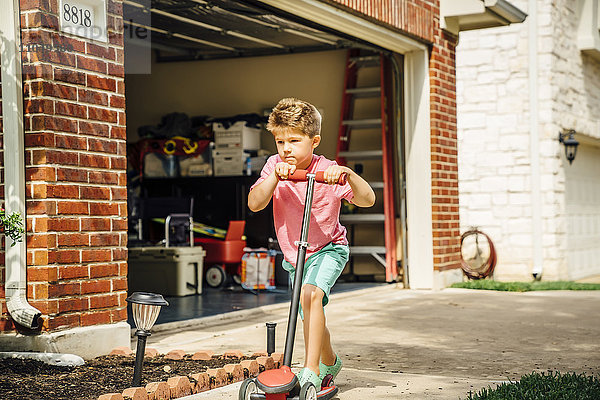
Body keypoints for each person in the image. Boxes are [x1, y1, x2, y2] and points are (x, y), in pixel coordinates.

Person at [248, 98, 375, 388]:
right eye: (280, 141)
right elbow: (255, 203)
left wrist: (348, 174)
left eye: (294, 140)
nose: (286, 148)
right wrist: (274, 180)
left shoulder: (328, 169)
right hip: (296, 255)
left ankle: (311, 369)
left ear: (314, 140)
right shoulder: (273, 166)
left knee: (311, 296)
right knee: (308, 311)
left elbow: (368, 200)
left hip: (329, 248)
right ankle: (331, 360)